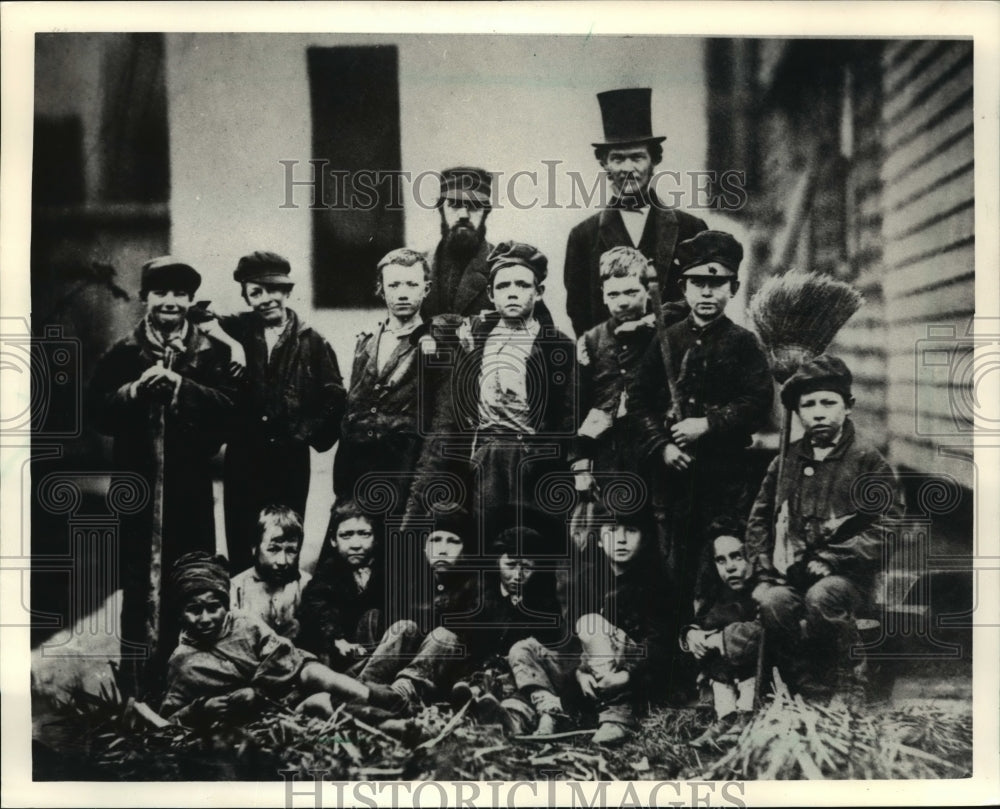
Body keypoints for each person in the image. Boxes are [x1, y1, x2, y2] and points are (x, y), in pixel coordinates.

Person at [88, 256, 236, 692]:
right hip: (136, 483)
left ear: (191, 300)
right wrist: (134, 391)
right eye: (161, 293)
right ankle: (138, 685)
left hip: (188, 486)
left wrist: (183, 390)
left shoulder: (213, 353)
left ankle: (190, 679)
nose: (170, 302)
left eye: (179, 294)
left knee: (191, 578)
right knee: (137, 581)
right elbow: (97, 412)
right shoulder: (125, 352)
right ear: (145, 298)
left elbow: (229, 414)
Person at [746, 354, 902, 704]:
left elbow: (888, 525)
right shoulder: (784, 461)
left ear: (848, 407)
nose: (818, 412)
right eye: (808, 405)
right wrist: (762, 572)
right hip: (792, 576)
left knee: (823, 597)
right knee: (774, 604)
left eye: (828, 403)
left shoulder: (866, 461)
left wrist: (835, 557)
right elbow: (759, 519)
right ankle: (808, 689)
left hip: (849, 580)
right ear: (798, 412)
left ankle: (849, 685)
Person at [633, 230, 772, 611]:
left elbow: (757, 402)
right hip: (673, 479)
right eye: (698, 283)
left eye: (717, 284)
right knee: (672, 563)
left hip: (724, 477)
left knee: (718, 561)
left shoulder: (743, 343)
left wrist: (708, 424)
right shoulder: (668, 339)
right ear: (684, 288)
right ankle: (676, 648)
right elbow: (638, 400)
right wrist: (661, 447)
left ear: (734, 287)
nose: (707, 293)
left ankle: (718, 640)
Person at [194, 251, 346, 574]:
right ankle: (243, 618)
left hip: (289, 462)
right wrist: (232, 346)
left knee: (284, 546)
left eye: (272, 290)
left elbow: (334, 397)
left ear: (287, 291)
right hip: (244, 460)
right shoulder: (239, 329)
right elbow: (196, 315)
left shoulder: (313, 341)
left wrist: (304, 433)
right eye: (255, 292)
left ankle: (284, 617)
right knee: (242, 547)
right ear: (246, 297)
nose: (265, 299)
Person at [159, 552, 407, 725]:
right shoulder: (182, 661)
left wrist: (258, 688)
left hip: (288, 677)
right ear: (180, 613)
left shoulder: (243, 623)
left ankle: (379, 698)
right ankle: (391, 724)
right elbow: (169, 716)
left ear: (225, 605)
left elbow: (280, 652)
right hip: (266, 711)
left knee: (316, 673)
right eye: (194, 610)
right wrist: (202, 709)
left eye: (213, 607)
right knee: (321, 704)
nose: (205, 618)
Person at [504, 509, 674, 745]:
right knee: (523, 649)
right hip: (590, 675)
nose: (621, 539)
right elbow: (572, 641)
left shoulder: (654, 582)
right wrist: (580, 673)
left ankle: (617, 715)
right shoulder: (589, 578)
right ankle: (550, 712)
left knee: (590, 623)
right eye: (612, 530)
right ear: (601, 540)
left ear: (644, 540)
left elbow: (659, 644)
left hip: (634, 676)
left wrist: (627, 675)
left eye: (631, 531)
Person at [446, 241, 577, 548]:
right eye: (503, 286)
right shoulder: (478, 336)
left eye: (522, 284)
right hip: (487, 456)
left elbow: (568, 412)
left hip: (533, 456)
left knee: (535, 541)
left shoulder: (555, 345)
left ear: (539, 292)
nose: (513, 292)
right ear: (491, 294)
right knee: (487, 540)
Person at [564, 87, 708, 336]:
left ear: (654, 160)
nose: (628, 168)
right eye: (618, 159)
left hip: (677, 364)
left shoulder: (692, 229)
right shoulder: (582, 237)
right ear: (604, 164)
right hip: (614, 368)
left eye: (637, 157)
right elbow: (580, 315)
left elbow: (704, 298)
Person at [333, 248, 453, 521]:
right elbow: (352, 413)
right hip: (358, 477)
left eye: (412, 284)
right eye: (394, 284)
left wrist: (420, 488)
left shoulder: (438, 346)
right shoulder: (366, 343)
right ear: (381, 289)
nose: (402, 293)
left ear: (427, 288)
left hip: (404, 474)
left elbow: (441, 425)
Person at [356, 508, 478, 716]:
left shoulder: (476, 586)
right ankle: (361, 687)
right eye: (435, 540)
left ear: (466, 549)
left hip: (448, 675)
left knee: (443, 636)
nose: (442, 549)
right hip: (412, 665)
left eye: (453, 542)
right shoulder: (415, 584)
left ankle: (400, 694)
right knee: (404, 628)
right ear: (424, 548)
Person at [448, 523, 564, 721]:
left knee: (518, 699)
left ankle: (513, 718)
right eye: (510, 565)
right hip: (485, 671)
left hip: (525, 676)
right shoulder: (481, 599)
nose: (517, 576)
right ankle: (475, 702)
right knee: (475, 685)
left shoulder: (545, 603)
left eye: (526, 568)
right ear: (496, 563)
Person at [572, 246, 658, 493]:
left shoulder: (664, 334)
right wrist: (581, 466)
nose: (622, 302)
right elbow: (577, 404)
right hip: (606, 456)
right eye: (614, 294)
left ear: (648, 292)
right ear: (603, 295)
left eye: (631, 292)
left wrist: (648, 323)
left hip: (655, 449)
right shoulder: (590, 341)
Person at [680, 517, 761, 748]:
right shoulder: (719, 596)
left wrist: (720, 639)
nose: (730, 567)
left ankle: (746, 715)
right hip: (726, 680)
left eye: (737, 556)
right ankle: (725, 718)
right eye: (721, 560)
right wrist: (692, 634)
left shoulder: (764, 592)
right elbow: (702, 622)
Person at [297, 501, 387, 673]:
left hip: (378, 650)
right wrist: (336, 638)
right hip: (342, 650)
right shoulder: (329, 571)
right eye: (346, 535)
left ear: (376, 538)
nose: (355, 544)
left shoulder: (385, 570)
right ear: (333, 540)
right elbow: (317, 604)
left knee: (374, 616)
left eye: (364, 534)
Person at [420, 167, 495, 320]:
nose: (463, 215)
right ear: (441, 209)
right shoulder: (418, 267)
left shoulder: (503, 266)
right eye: (454, 205)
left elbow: (540, 335)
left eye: (474, 206)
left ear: (486, 212)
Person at [229, 505, 311, 640]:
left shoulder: (305, 585)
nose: (282, 561)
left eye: (291, 551)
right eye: (273, 549)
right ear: (255, 548)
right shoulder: (236, 587)